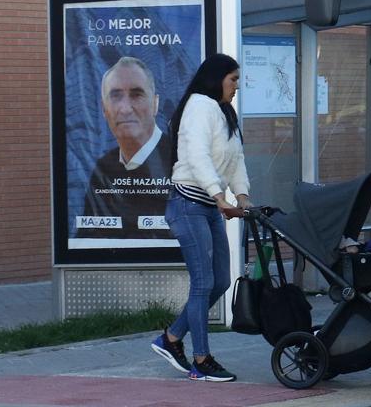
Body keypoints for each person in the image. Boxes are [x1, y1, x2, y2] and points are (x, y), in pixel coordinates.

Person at [150, 54, 251, 383]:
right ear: (217, 78)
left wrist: (243, 197)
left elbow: (235, 160)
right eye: (233, 79)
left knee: (221, 280)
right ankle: (201, 360)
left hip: (208, 207)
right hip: (188, 204)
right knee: (203, 282)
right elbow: (196, 155)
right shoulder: (198, 106)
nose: (237, 86)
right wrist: (220, 197)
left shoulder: (225, 112)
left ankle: (171, 338)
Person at [78, 56, 173, 238]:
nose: (125, 108)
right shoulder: (103, 169)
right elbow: (86, 237)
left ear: (155, 103)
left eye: (137, 95)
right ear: (104, 109)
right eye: (115, 96)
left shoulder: (179, 160)